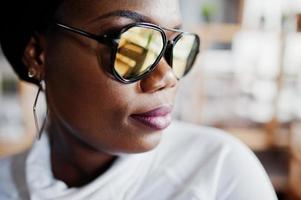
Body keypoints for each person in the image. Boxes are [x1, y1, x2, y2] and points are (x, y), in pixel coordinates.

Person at [0, 0, 277, 199]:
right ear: (37, 55)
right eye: (131, 46)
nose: (167, 77)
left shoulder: (219, 172)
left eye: (174, 46)